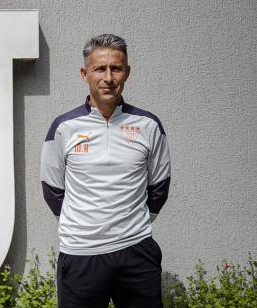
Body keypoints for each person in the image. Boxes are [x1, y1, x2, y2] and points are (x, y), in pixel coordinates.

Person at [40, 34, 171, 308]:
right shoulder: (64, 128)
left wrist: (132, 223)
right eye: (100, 68)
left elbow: (159, 186)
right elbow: (53, 190)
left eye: (117, 68)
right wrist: (85, 225)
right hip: (80, 254)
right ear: (84, 73)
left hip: (136, 251)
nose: (108, 77)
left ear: (127, 72)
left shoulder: (148, 125)